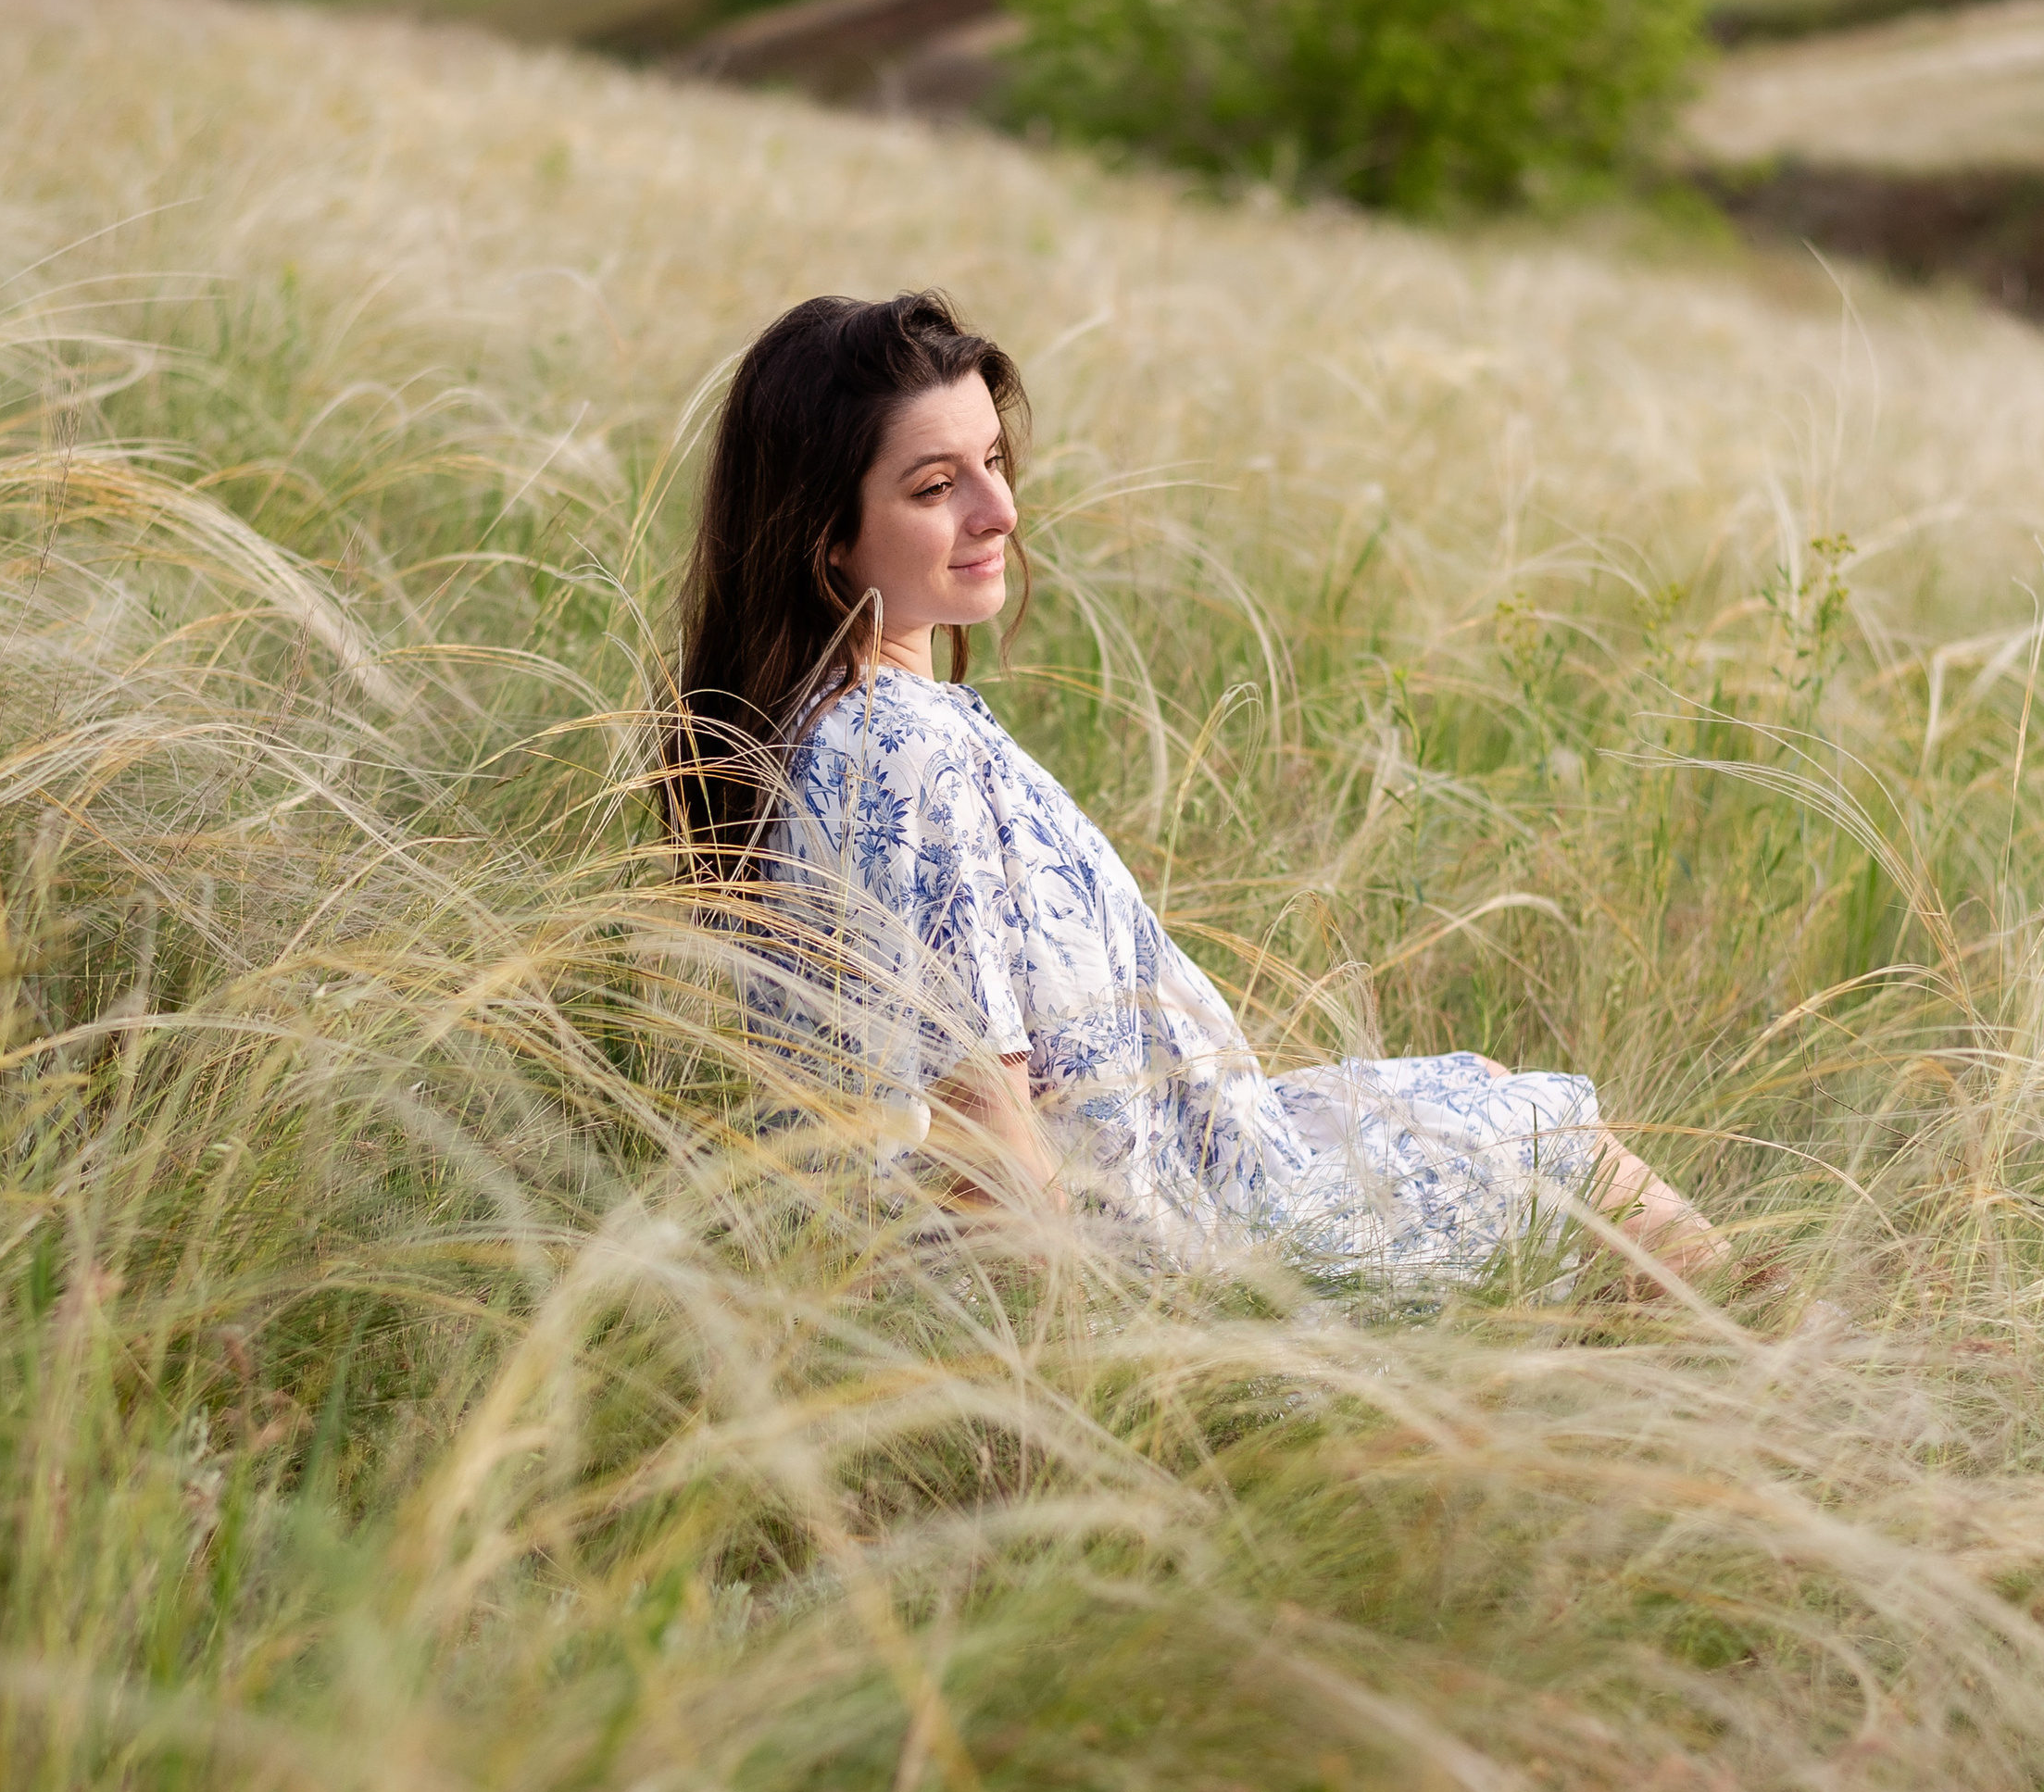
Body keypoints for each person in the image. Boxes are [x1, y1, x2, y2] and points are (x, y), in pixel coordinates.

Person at [669, 290, 1724, 1296]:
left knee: (1484, 1086)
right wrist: (1078, 1401)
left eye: (992, 462)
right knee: (1557, 1145)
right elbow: (979, 1128)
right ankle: (1779, 1377)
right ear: (826, 530)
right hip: (1176, 1237)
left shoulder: (828, 723)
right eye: (936, 486)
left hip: (1198, 1165)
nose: (1002, 509)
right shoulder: (898, 745)